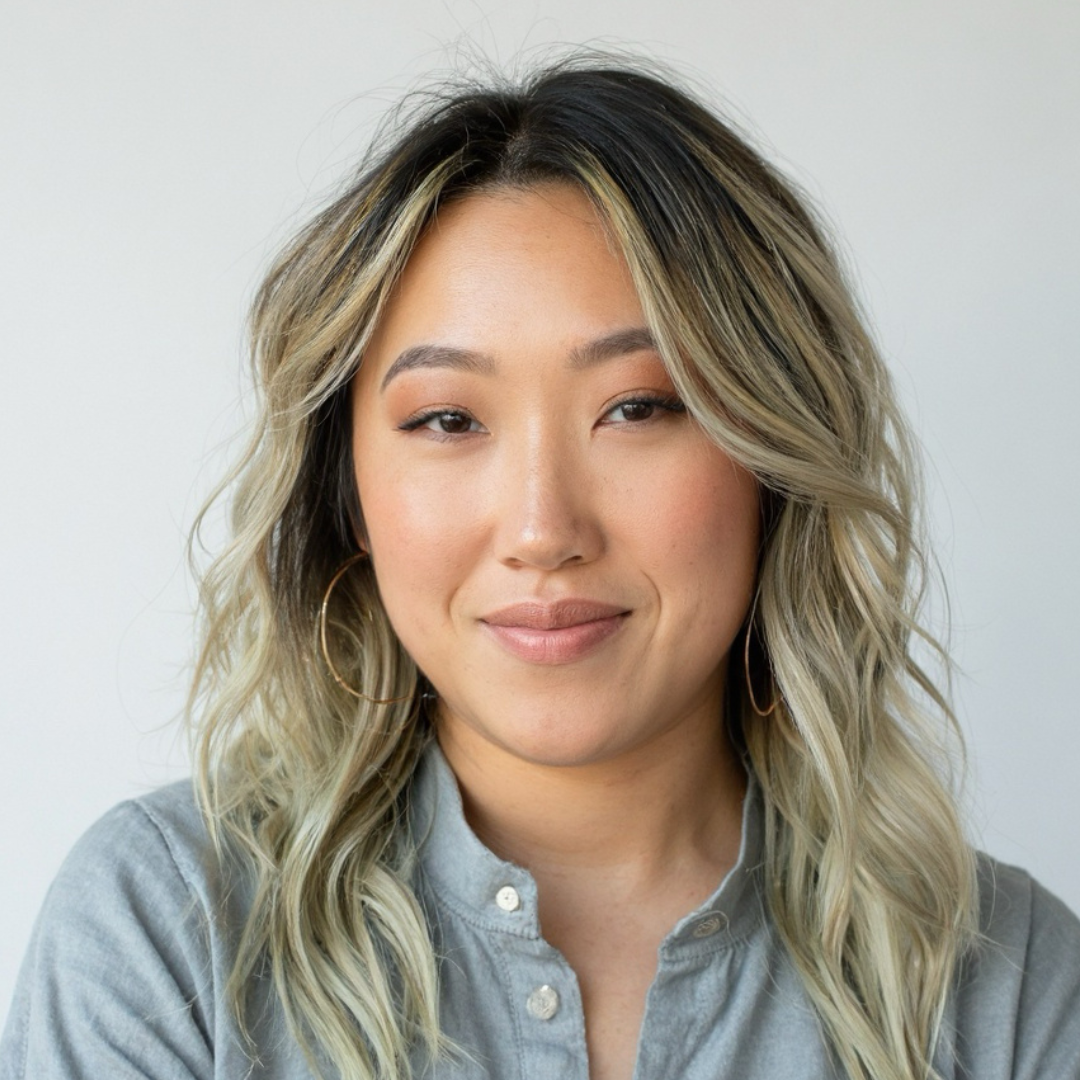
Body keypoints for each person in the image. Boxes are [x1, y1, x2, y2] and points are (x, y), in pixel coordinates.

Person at [3, 54, 1079, 1080]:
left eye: (639, 407)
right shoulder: (167, 933)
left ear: (773, 460)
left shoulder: (1008, 988)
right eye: (448, 419)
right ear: (352, 499)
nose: (541, 527)